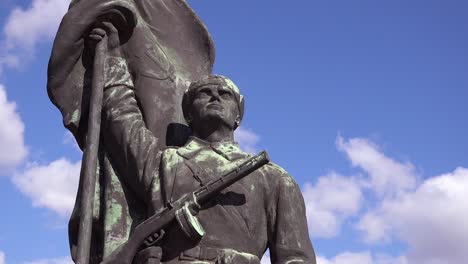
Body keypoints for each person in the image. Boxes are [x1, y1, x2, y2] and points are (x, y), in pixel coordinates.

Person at [95, 23, 316, 264]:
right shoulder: (164, 164)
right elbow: (122, 119)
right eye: (204, 93)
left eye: (225, 94)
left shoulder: (275, 179)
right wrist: (112, 56)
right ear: (188, 114)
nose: (215, 96)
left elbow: (296, 259)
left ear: (238, 116)